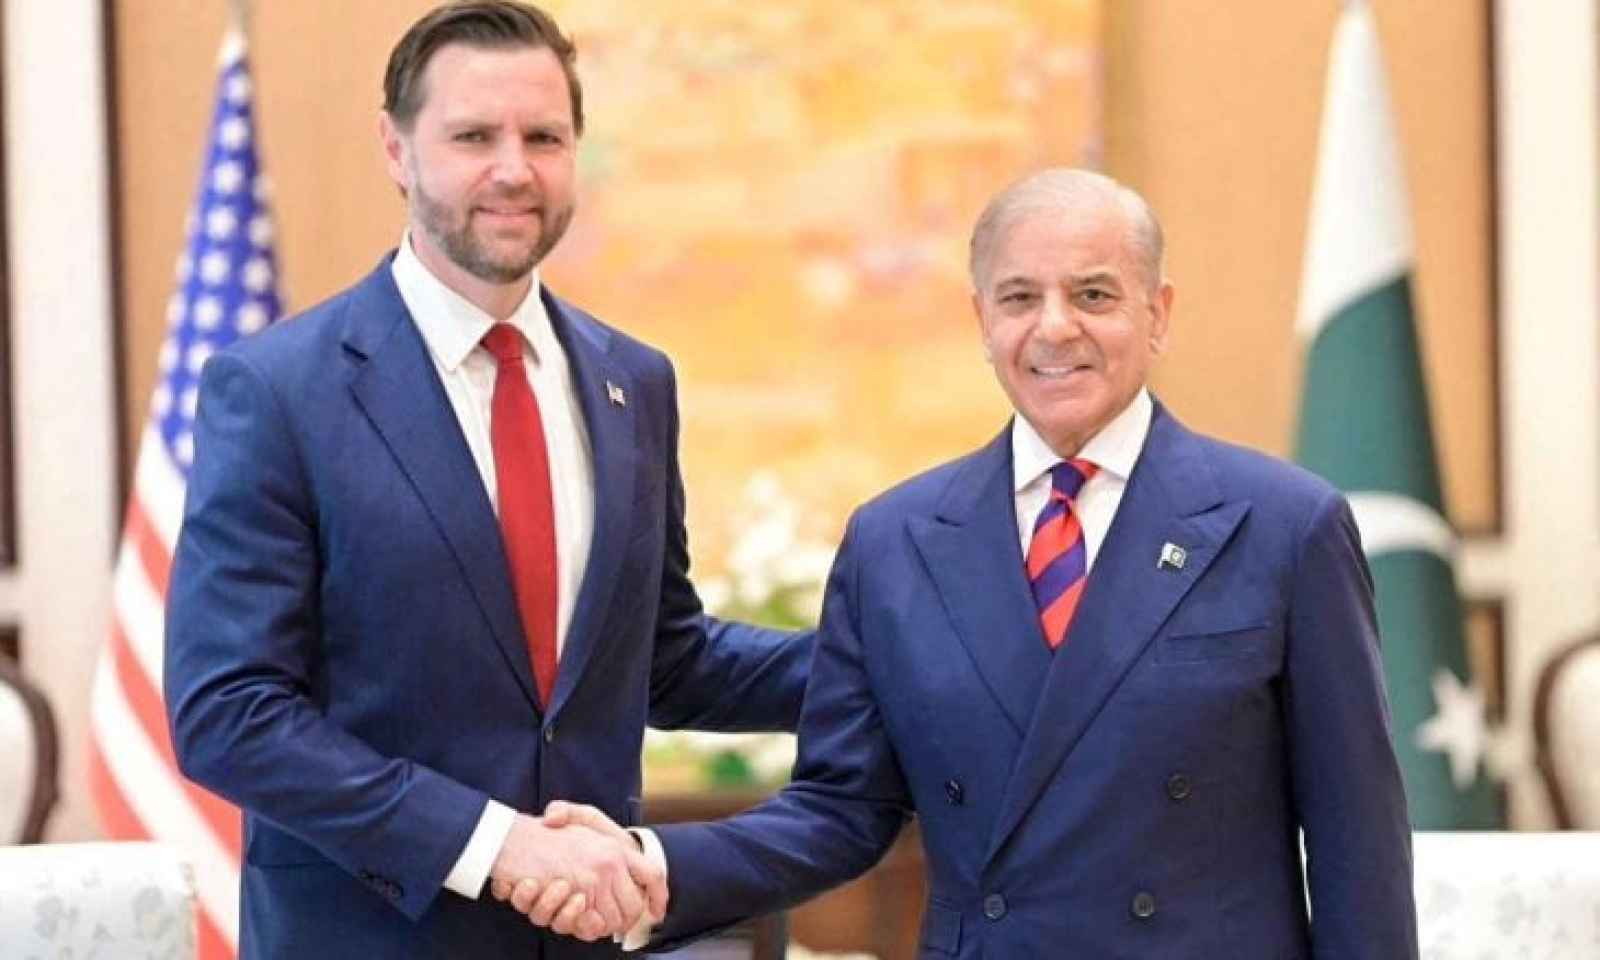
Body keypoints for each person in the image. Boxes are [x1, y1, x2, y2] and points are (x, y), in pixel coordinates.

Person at [531, 168, 1419, 957]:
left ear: (1159, 314)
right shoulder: (895, 541)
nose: (1055, 328)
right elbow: (842, 809)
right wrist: (651, 864)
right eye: (1020, 297)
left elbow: (1358, 842)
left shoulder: (1285, 527)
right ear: (982, 321)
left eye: (1095, 294)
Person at [163, 3, 811, 957]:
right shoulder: (277, 391)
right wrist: (494, 845)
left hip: (586, 940)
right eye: (474, 137)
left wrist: (903, 656)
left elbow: (663, 660)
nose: (514, 170)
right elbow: (229, 712)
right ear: (396, 149)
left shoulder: (635, 382)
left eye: (543, 137)